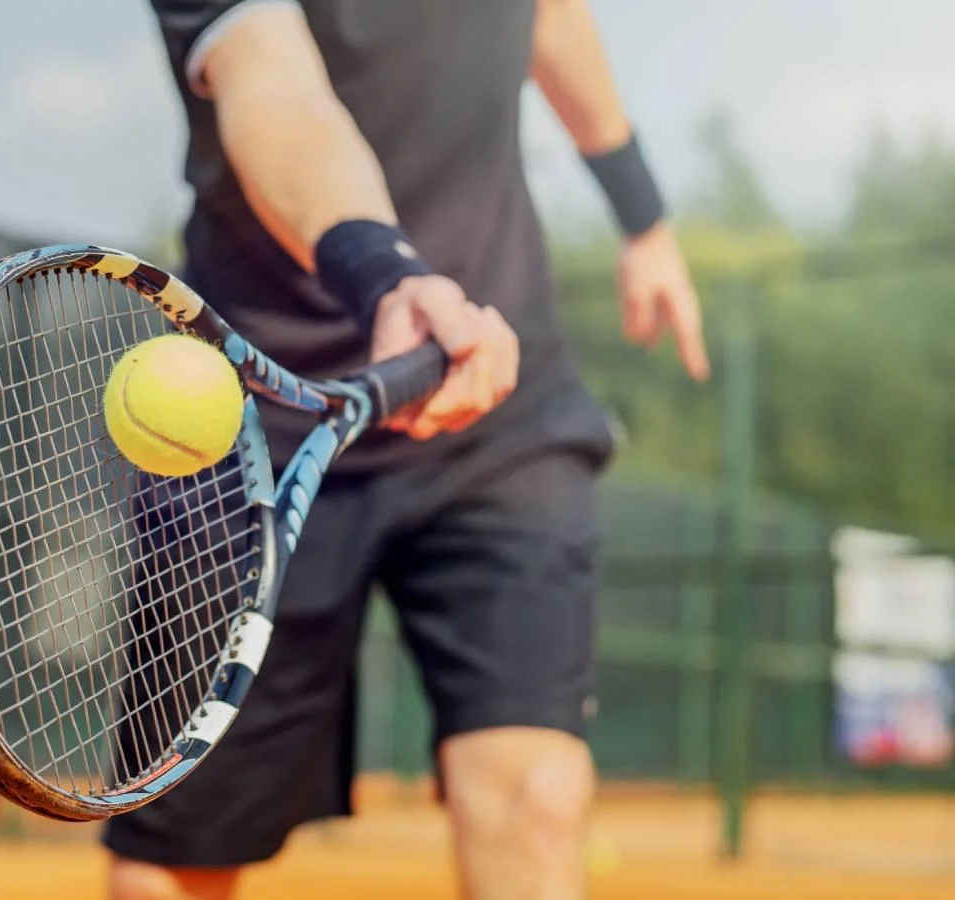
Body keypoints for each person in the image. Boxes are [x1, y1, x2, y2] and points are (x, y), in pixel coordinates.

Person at [104, 1, 709, 898]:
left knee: (534, 793)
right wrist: (386, 273)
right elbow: (274, 85)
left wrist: (641, 213)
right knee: (179, 862)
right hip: (255, 419)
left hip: (495, 392)